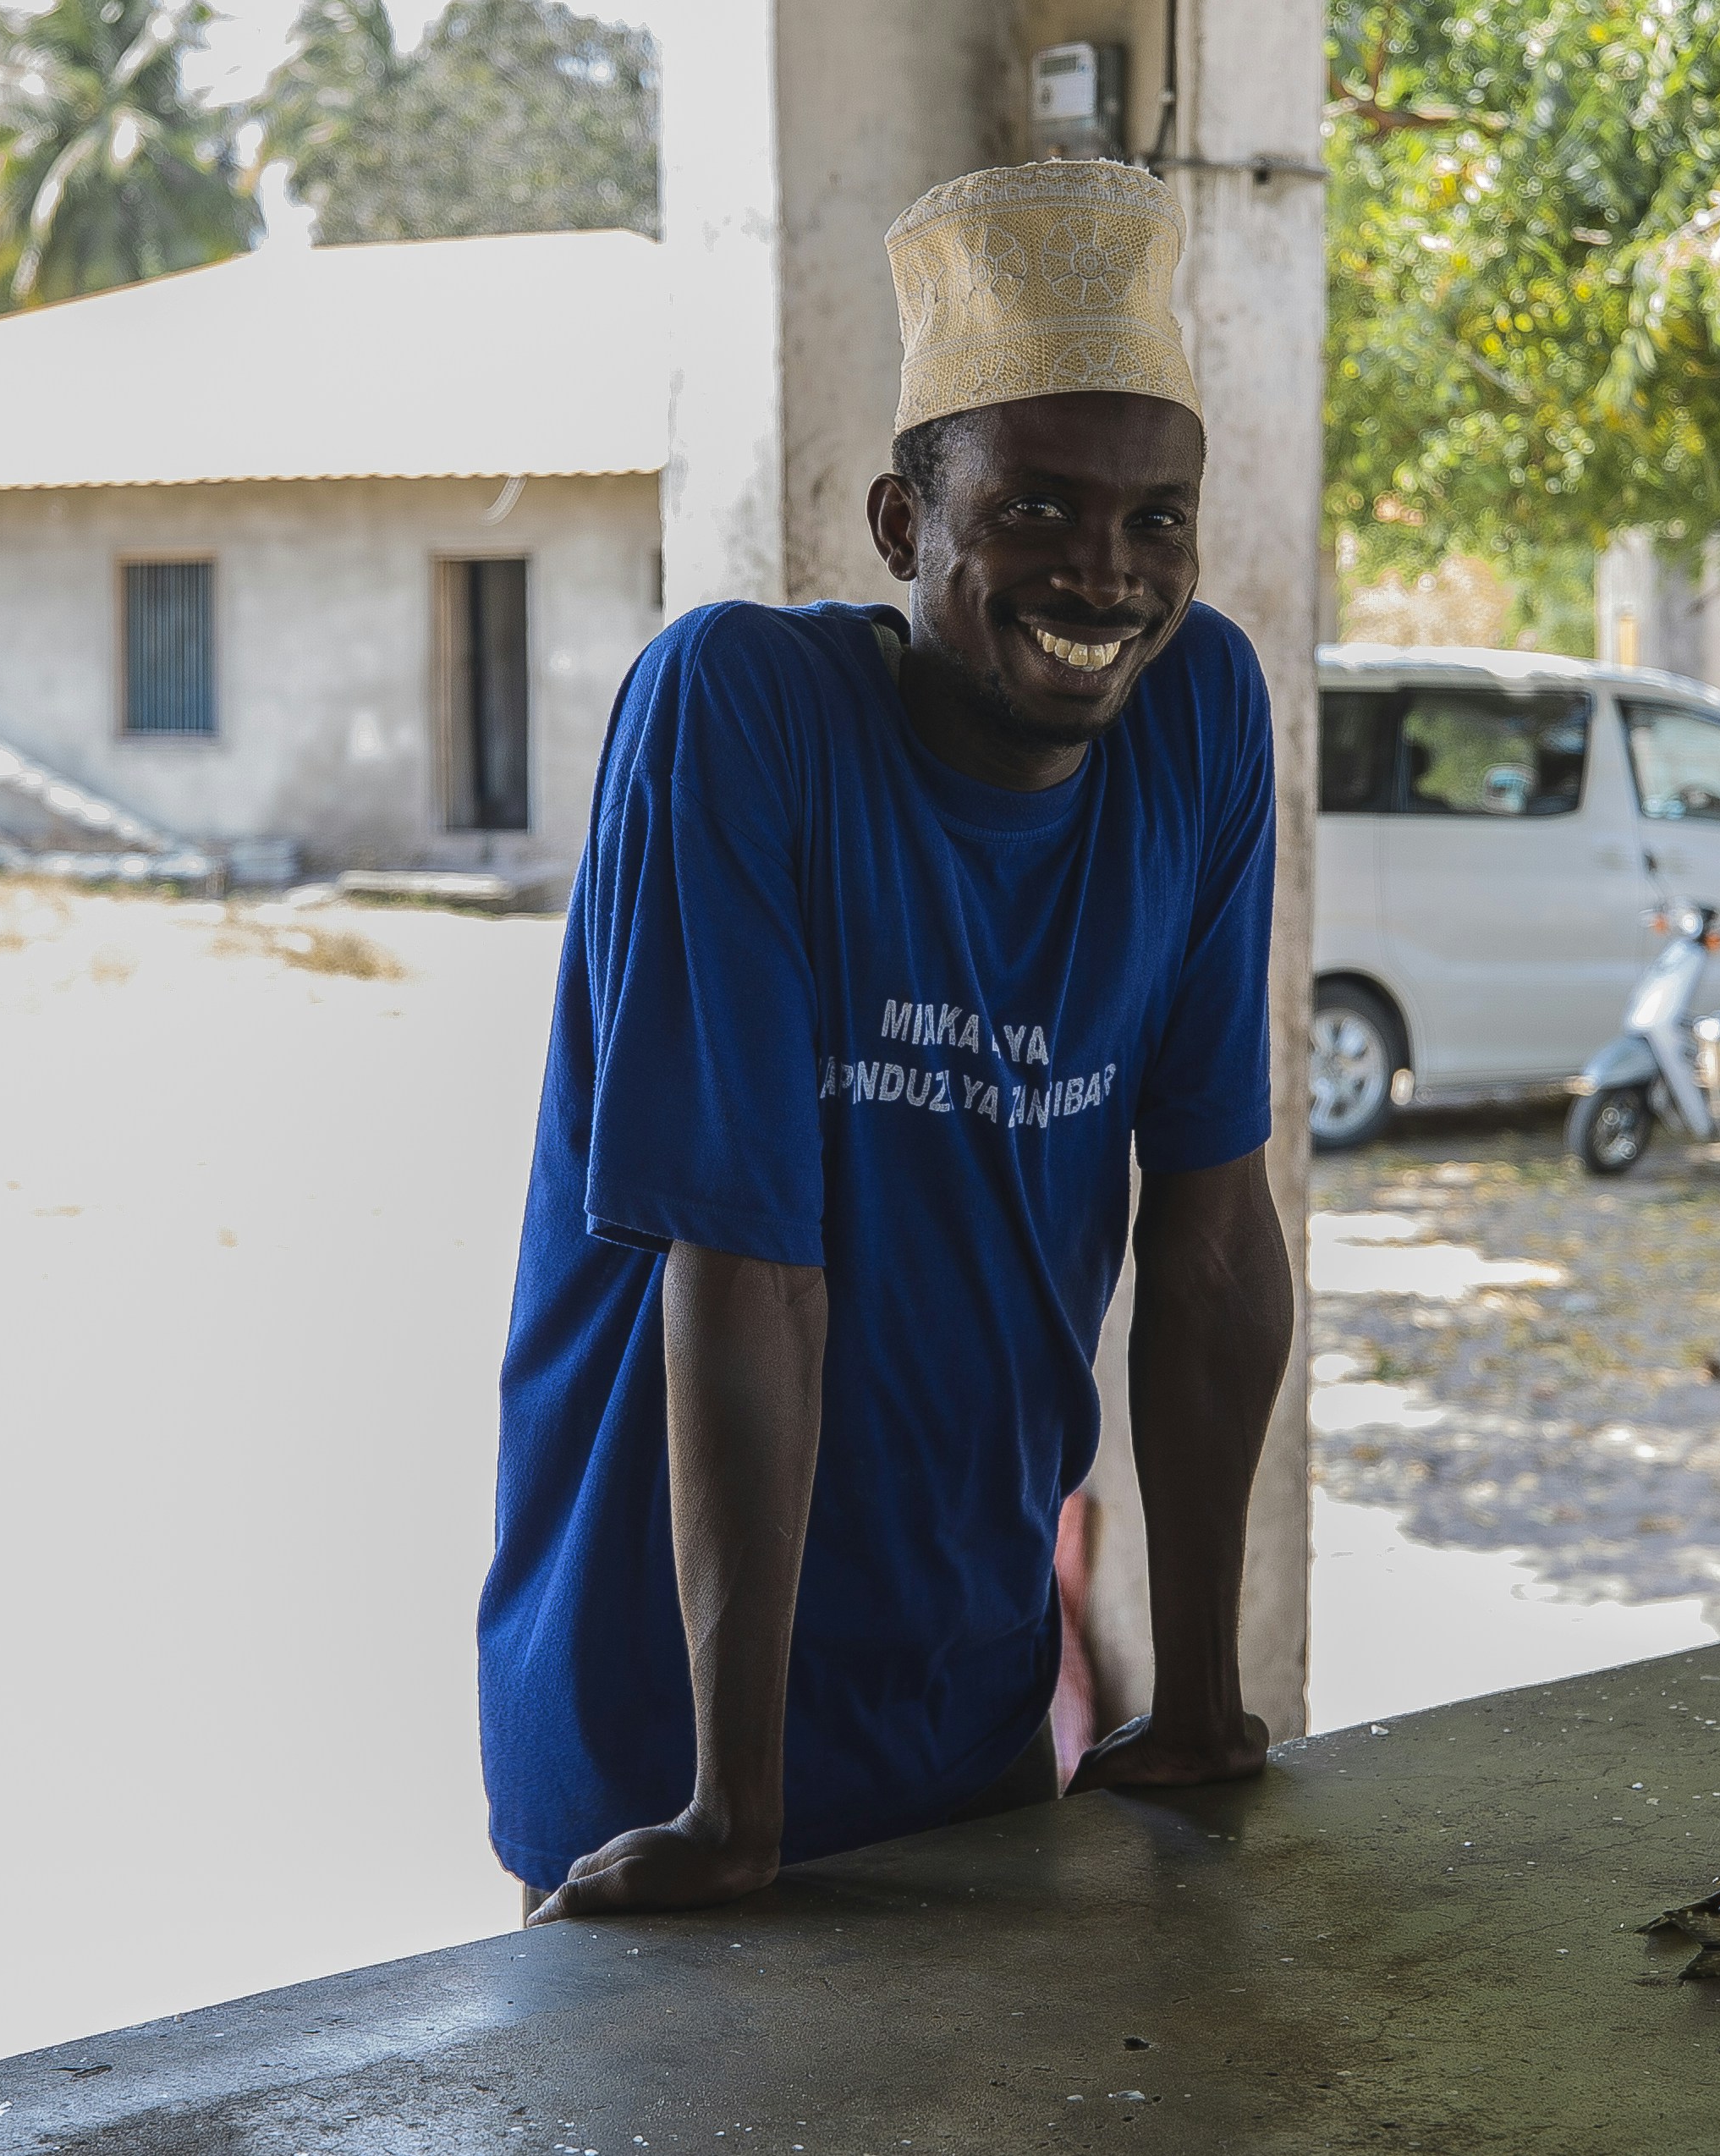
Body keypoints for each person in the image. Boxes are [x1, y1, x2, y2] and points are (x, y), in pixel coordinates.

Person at [475, 160, 1295, 1920]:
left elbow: (1214, 1226)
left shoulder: (1201, 718)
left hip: (965, 1695)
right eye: (1038, 508)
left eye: (1159, 517)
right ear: (901, 524)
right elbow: (752, 1265)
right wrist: (733, 1804)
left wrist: (1205, 1688)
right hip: (671, 1729)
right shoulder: (740, 710)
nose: (1105, 569)